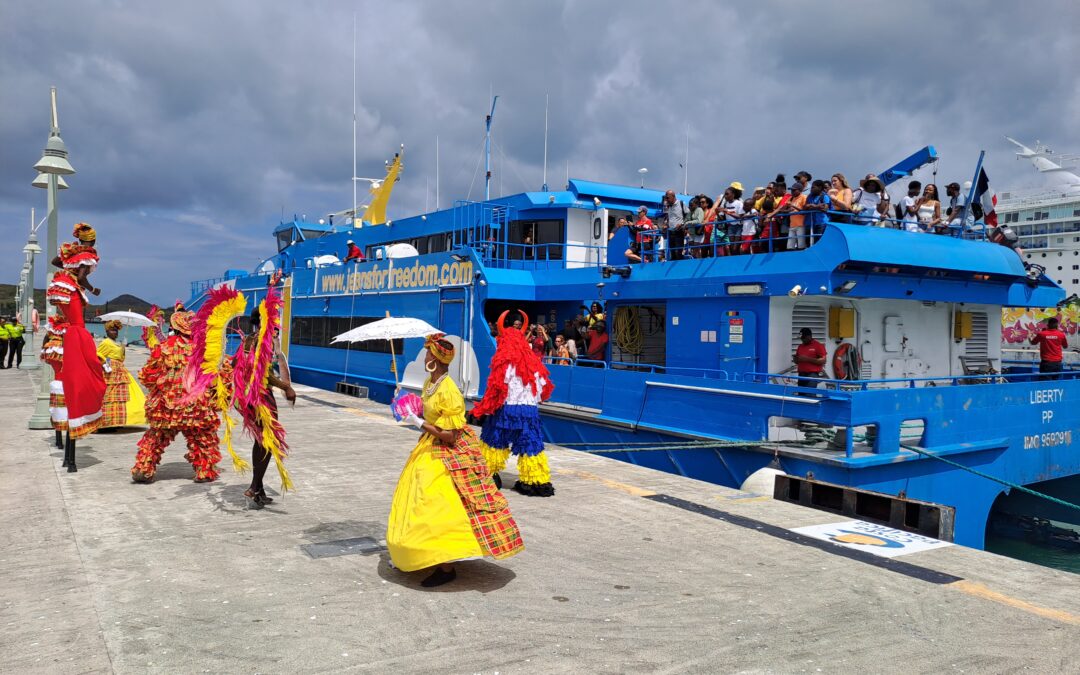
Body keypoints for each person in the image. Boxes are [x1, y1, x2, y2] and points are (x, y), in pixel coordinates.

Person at [388, 334, 524, 587]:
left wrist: (418, 422)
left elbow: (450, 435)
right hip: (429, 445)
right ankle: (415, 553)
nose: (425, 357)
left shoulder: (449, 390)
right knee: (417, 500)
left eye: (428, 353)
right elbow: (430, 412)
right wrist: (406, 401)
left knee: (438, 503)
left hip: (448, 451)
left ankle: (446, 566)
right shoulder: (431, 382)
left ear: (437, 359)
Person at [131, 310, 223, 483]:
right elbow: (217, 376)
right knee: (201, 437)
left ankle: (144, 468)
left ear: (176, 327)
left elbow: (148, 374)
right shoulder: (204, 349)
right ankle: (204, 471)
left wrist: (156, 387)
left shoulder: (165, 347)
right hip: (196, 405)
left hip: (167, 405)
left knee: (156, 436)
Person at [475, 310, 556, 497]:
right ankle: (535, 482)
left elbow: (496, 388)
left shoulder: (503, 362)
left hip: (505, 411)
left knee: (494, 441)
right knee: (531, 445)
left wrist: (484, 408)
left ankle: (488, 475)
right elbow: (543, 388)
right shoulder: (534, 363)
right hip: (529, 412)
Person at [48, 223, 107, 470]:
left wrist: (69, 259)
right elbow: (82, 277)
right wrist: (93, 289)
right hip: (76, 326)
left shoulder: (71, 259)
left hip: (68, 320)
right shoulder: (87, 256)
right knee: (88, 377)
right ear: (92, 242)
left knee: (70, 383)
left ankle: (68, 456)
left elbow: (56, 261)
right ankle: (70, 456)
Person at [234, 300, 296, 508]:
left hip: (247, 397)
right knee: (268, 441)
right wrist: (287, 387)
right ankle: (253, 488)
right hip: (261, 398)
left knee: (262, 441)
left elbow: (235, 364)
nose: (276, 323)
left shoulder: (248, 339)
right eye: (273, 319)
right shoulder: (263, 342)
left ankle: (258, 490)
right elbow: (266, 375)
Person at [97, 319, 147, 429]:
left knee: (121, 396)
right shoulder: (106, 342)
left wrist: (123, 347)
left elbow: (121, 358)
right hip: (110, 372)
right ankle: (106, 422)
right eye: (112, 330)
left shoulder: (117, 343)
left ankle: (117, 420)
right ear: (107, 332)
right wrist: (105, 364)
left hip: (120, 371)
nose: (114, 332)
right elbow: (98, 355)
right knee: (110, 396)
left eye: (116, 330)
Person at [41, 316, 69, 449]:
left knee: (58, 411)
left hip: (57, 383)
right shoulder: (65, 332)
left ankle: (59, 439)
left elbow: (45, 342)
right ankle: (62, 439)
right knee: (65, 411)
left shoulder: (51, 352)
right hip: (65, 383)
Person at [717, 183, 745, 256]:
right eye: (725, 194)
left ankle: (738, 259)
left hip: (739, 226)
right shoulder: (725, 204)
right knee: (732, 247)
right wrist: (717, 213)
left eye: (727, 194)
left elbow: (740, 217)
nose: (725, 196)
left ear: (733, 194)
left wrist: (727, 212)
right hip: (730, 226)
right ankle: (734, 260)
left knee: (736, 246)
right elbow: (722, 219)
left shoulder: (739, 203)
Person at [661, 190, 688, 261]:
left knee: (678, 252)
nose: (666, 199)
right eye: (666, 198)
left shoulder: (681, 203)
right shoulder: (669, 206)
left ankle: (680, 266)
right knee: (672, 252)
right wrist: (666, 225)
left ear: (673, 196)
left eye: (668, 198)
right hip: (670, 232)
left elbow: (688, 215)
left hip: (679, 231)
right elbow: (670, 218)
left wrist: (682, 224)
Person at [782, 182, 809, 250]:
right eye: (791, 190)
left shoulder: (804, 197)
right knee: (790, 246)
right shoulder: (791, 198)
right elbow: (782, 209)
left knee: (801, 245)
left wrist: (793, 206)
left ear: (800, 190)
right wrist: (787, 210)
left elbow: (804, 211)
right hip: (792, 225)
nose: (792, 192)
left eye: (794, 190)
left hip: (801, 225)